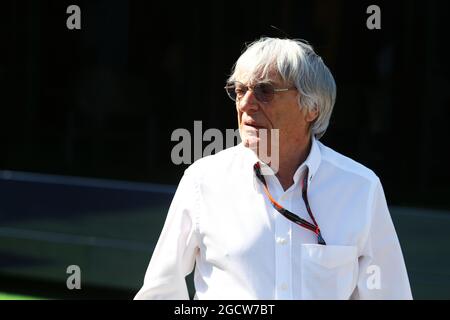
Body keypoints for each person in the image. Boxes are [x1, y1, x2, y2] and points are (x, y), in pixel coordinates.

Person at [134, 37, 412, 300]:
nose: (245, 104)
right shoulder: (203, 180)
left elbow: (389, 292)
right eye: (240, 90)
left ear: (311, 107)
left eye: (264, 91)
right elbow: (160, 290)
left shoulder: (360, 187)